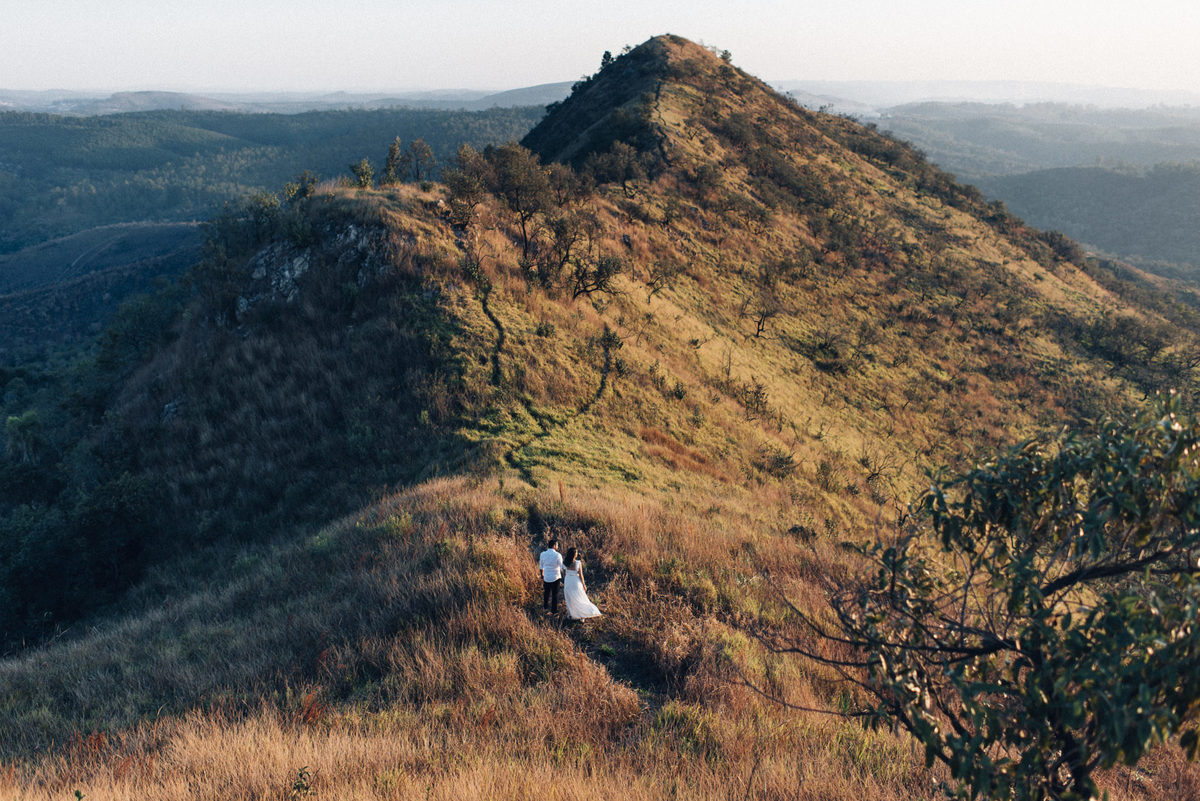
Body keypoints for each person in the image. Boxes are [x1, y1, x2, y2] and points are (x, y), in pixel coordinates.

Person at [561, 547, 602, 620]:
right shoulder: (578, 563)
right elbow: (581, 575)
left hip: (568, 581)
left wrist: (567, 580)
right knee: (579, 597)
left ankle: (571, 614)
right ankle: (581, 615)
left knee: (570, 598)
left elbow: (564, 574)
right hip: (576, 581)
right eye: (576, 553)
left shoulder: (564, 563)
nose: (577, 554)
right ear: (574, 554)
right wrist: (583, 585)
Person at [538, 538, 564, 614]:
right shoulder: (558, 555)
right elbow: (561, 567)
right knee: (555, 594)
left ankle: (545, 606)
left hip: (546, 576)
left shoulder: (542, 554)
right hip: (555, 576)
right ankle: (554, 610)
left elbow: (541, 566)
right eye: (557, 545)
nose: (557, 547)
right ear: (554, 546)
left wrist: (542, 575)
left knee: (546, 592)